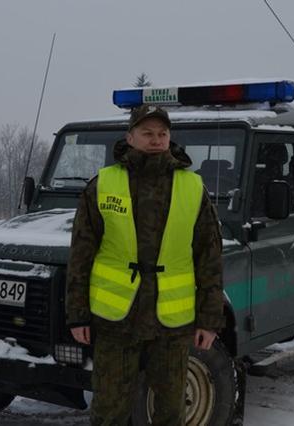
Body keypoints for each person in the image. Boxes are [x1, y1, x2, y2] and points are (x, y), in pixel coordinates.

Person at [65, 105, 225, 425]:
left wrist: (209, 321)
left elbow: (209, 257)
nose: (156, 140)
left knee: (169, 412)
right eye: (147, 133)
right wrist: (77, 314)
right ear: (130, 137)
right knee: (109, 411)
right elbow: (81, 254)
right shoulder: (103, 184)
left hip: (172, 324)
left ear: (170, 138)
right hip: (116, 321)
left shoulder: (193, 188)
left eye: (162, 134)